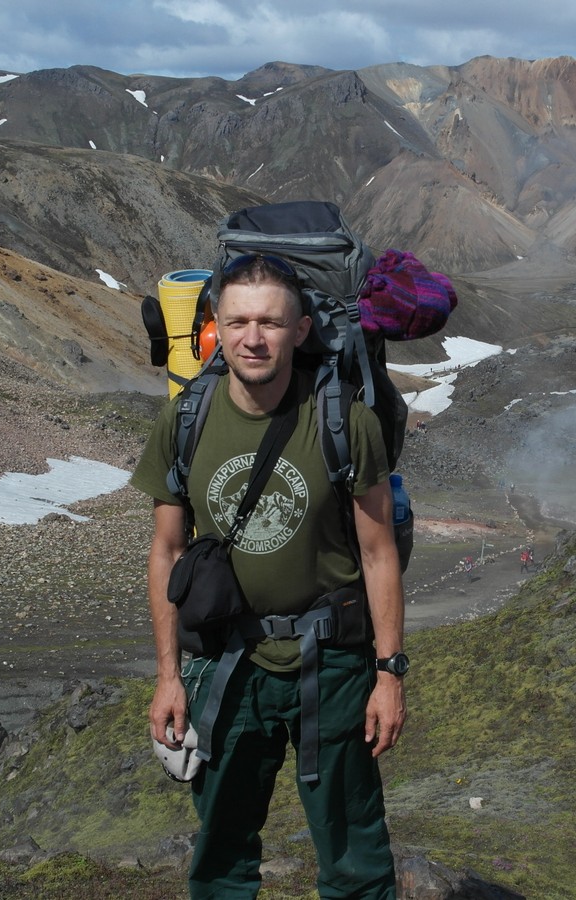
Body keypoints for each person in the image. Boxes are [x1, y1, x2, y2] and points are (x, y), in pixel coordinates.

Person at [133, 254, 406, 899]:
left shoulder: (344, 423)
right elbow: (166, 552)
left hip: (334, 662)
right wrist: (169, 678)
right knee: (221, 850)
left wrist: (389, 675)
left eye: (271, 322)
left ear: (301, 329)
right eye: (238, 322)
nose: (253, 338)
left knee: (353, 855)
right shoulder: (185, 423)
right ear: (216, 330)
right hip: (228, 664)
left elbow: (378, 554)